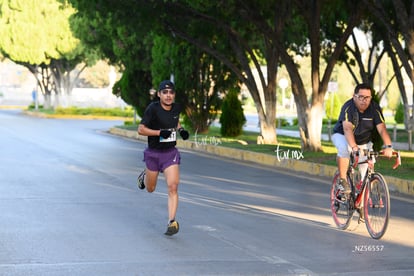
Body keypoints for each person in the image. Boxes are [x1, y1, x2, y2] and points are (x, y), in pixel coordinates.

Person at [137, 80, 189, 236]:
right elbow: (141, 129)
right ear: (159, 94)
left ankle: (171, 221)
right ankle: (145, 175)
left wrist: (181, 129)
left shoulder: (177, 108)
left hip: (170, 153)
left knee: (173, 187)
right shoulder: (152, 109)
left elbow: (174, 119)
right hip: (153, 153)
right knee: (150, 189)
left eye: (171, 92)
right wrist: (160, 133)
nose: (168, 95)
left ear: (174, 95)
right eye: (164, 92)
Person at [332, 83, 393, 196]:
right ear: (354, 96)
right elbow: (347, 129)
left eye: (367, 97)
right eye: (361, 97)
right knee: (344, 149)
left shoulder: (374, 108)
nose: (364, 100)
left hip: (363, 141)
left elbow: (382, 129)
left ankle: (361, 199)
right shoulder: (348, 107)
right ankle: (342, 180)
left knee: (367, 174)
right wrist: (354, 148)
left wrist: (389, 146)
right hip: (343, 136)